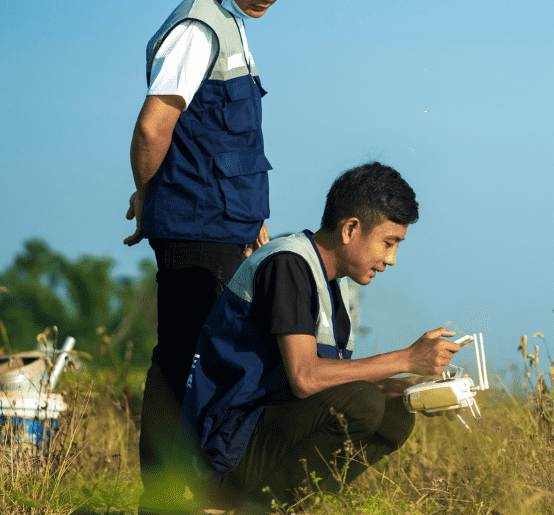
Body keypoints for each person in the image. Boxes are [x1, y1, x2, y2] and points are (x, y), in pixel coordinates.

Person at [124, 0, 307, 512]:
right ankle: (164, 494)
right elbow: (155, 126)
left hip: (222, 223)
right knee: (184, 355)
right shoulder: (198, 29)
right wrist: (151, 200)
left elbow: (226, 141)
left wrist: (250, 217)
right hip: (193, 224)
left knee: (215, 355)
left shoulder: (233, 18)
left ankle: (204, 489)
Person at [181, 162, 461, 511]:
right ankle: (235, 504)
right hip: (223, 449)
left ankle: (280, 506)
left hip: (262, 429)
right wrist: (406, 358)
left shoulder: (334, 284)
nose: (391, 259)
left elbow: (332, 384)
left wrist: (413, 390)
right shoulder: (288, 265)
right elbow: (306, 377)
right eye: (389, 243)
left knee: (395, 414)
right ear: (350, 229)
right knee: (362, 402)